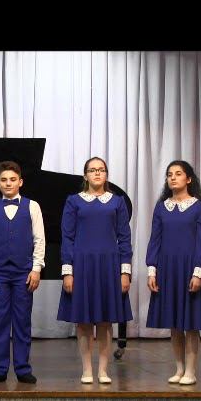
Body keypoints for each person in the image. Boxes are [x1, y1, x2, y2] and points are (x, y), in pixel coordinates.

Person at [58, 156, 133, 384]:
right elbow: (67, 237)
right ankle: (87, 369)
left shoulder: (117, 202)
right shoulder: (73, 201)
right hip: (82, 266)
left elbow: (124, 238)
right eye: (92, 170)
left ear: (106, 174)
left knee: (105, 321)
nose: (97, 173)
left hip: (109, 266)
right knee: (83, 322)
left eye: (101, 169)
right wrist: (67, 271)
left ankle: (103, 370)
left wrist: (125, 272)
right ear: (85, 175)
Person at [146, 160, 201, 385]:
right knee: (174, 323)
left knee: (191, 324)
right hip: (167, 269)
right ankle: (179, 368)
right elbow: (154, 240)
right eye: (169, 174)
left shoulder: (199, 206)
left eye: (178, 174)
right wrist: (152, 270)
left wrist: (198, 272)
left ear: (189, 179)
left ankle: (191, 371)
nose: (173, 177)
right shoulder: (161, 207)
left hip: (189, 268)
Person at [0, 161, 45, 384]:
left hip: (23, 273)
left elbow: (39, 239)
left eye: (13, 179)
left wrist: (36, 269)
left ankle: (23, 368)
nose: (8, 183)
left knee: (22, 321)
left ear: (20, 182)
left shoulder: (33, 207)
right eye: (4, 180)